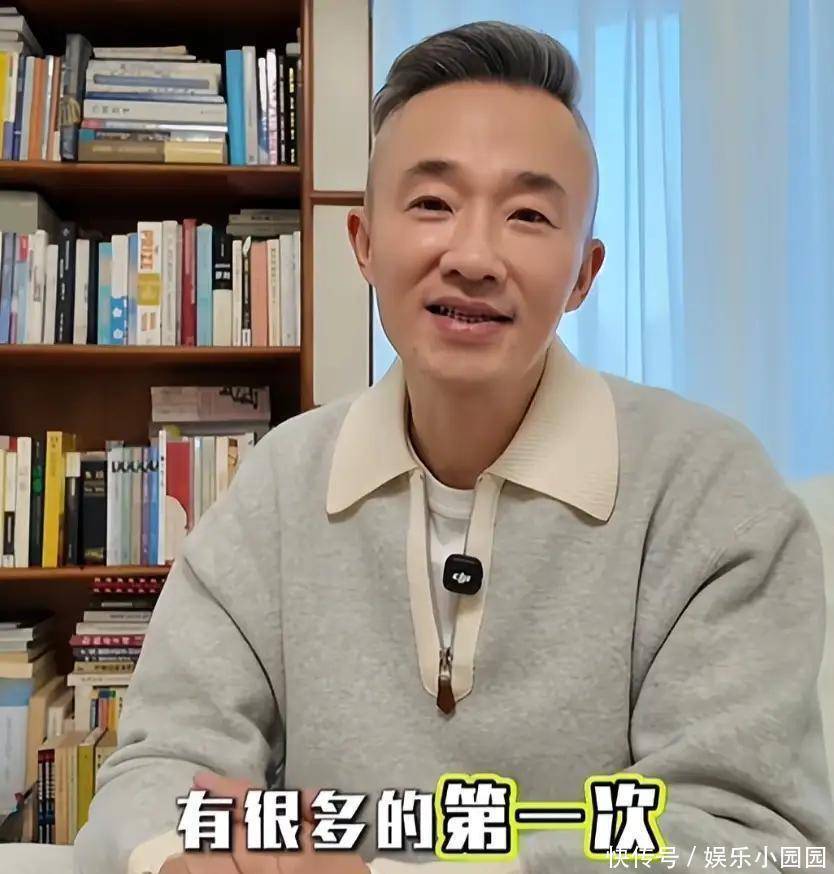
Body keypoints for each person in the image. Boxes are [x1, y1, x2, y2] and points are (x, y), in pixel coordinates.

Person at [74, 20, 834, 874]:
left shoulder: (710, 493)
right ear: (364, 245)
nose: (473, 257)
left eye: (529, 214)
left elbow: (751, 840)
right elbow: (161, 764)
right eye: (432, 203)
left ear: (584, 275)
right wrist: (176, 857)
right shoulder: (280, 485)